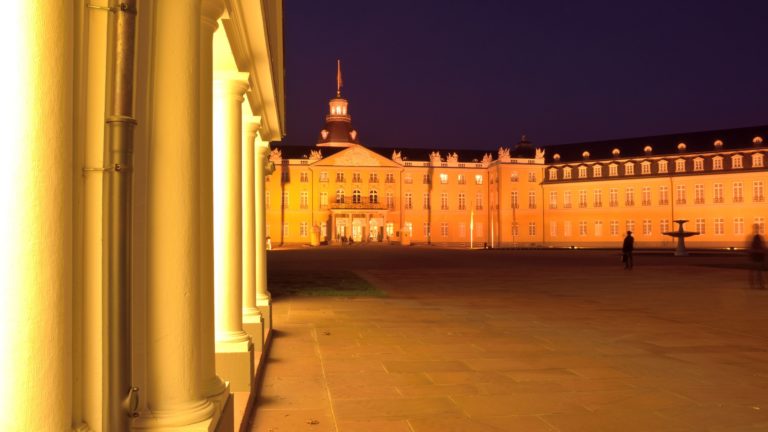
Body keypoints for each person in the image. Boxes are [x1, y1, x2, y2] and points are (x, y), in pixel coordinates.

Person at [748, 224, 765, 289]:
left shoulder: (757, 237)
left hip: (757, 256)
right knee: (757, 272)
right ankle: (757, 284)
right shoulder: (756, 237)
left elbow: (762, 247)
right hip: (756, 256)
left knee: (758, 272)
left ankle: (757, 284)